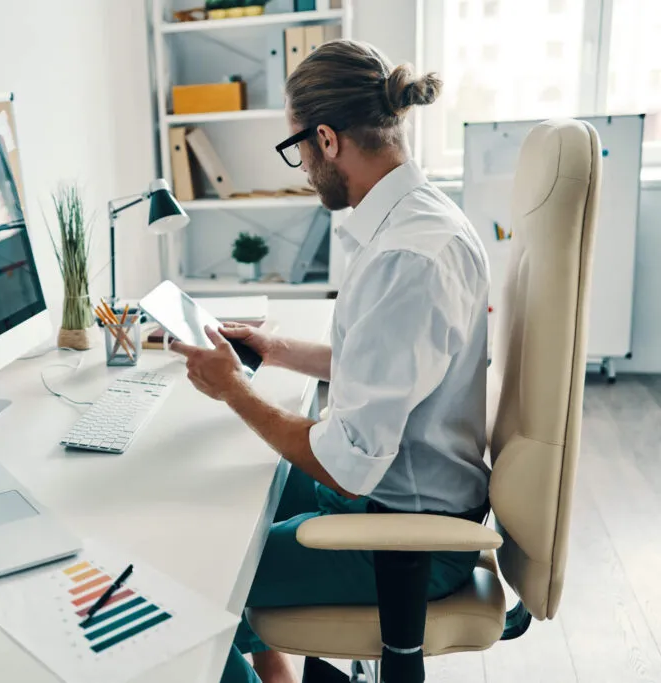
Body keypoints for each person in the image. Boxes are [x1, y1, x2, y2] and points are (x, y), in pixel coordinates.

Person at [169, 39, 492, 683]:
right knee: (216, 492)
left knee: (197, 575)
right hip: (403, 493)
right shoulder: (415, 222)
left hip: (408, 539)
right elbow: (387, 369)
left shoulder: (407, 257)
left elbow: (346, 469)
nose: (300, 168)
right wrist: (279, 352)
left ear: (328, 138)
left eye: (296, 150)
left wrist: (235, 391)